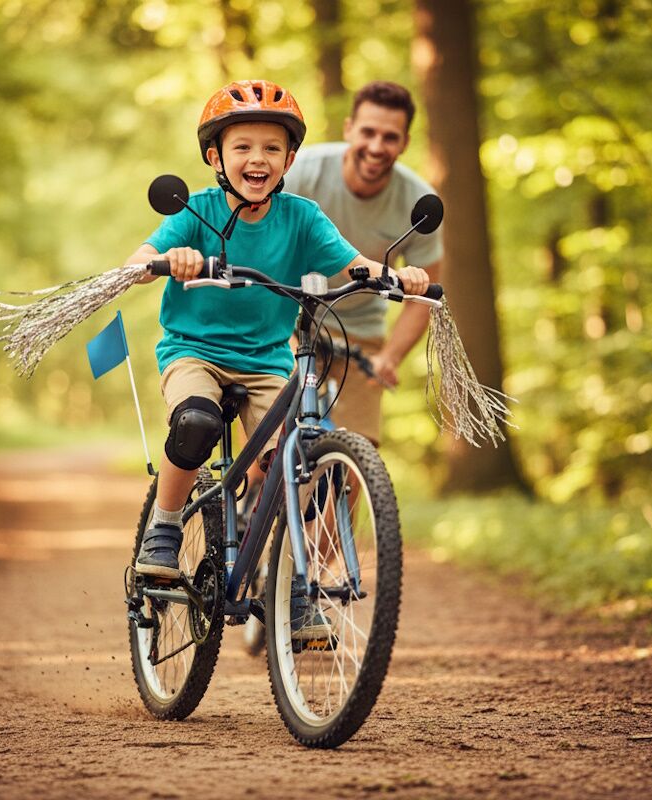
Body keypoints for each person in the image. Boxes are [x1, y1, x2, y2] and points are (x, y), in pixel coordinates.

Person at [123, 80, 429, 637]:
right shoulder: (196, 210)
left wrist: (396, 278)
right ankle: (164, 529)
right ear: (216, 156)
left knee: (297, 457)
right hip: (195, 352)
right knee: (195, 421)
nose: (256, 159)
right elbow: (145, 252)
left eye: (271, 148)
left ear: (290, 159)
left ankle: (284, 580)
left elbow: (352, 263)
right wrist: (165, 259)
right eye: (242, 147)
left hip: (266, 360)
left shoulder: (303, 217)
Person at [281, 81, 443, 446]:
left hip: (360, 332)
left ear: (404, 143)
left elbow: (424, 298)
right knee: (272, 445)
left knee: (358, 449)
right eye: (368, 132)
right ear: (349, 128)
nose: (376, 146)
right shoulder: (301, 174)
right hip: (287, 317)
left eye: (390, 137)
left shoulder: (418, 201)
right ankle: (255, 493)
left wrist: (391, 357)